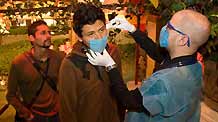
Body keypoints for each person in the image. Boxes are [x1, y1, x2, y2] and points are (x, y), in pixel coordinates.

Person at [86, 9, 211, 122]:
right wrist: (132, 29)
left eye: (169, 27)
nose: (164, 28)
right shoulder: (194, 64)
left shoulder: (165, 82)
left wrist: (110, 65)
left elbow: (128, 101)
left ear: (182, 40)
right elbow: (157, 54)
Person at [58, 3, 124, 122]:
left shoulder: (113, 52)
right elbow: (67, 110)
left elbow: (120, 93)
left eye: (101, 30)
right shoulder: (70, 64)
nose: (99, 37)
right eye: (91, 34)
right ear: (79, 37)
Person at [6, 20, 64, 122]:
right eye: (43, 33)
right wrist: (25, 113)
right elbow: (11, 95)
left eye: (49, 32)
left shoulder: (59, 58)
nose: (48, 36)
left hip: (56, 116)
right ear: (31, 38)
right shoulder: (19, 62)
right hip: (33, 116)